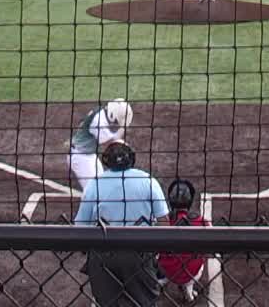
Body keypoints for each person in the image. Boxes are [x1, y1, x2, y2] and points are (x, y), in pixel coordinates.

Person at [74, 142, 169, 307]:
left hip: (104, 256)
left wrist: (89, 253)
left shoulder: (94, 184)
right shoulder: (148, 180)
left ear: (106, 161)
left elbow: (80, 228)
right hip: (139, 254)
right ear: (131, 159)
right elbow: (164, 223)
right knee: (144, 303)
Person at [157, 179, 211, 303]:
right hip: (192, 272)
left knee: (157, 251)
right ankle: (188, 287)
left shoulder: (163, 221)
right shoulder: (200, 221)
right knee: (201, 255)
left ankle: (159, 281)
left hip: (166, 270)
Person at [68, 99, 134, 190]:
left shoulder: (101, 112)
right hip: (80, 158)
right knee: (93, 190)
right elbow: (111, 143)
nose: (115, 122)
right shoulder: (98, 121)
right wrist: (123, 128)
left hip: (88, 154)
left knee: (101, 184)